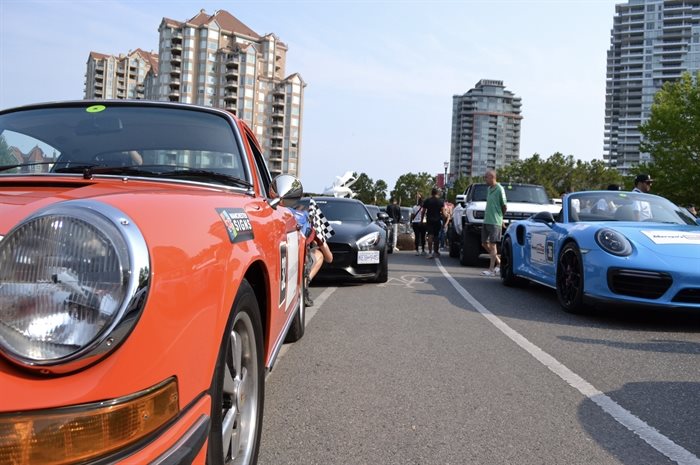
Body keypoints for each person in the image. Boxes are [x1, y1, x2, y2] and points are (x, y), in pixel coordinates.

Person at [286, 198, 333, 307]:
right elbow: (329, 258)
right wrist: (319, 243)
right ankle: (305, 282)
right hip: (302, 259)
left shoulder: (289, 220)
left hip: (286, 256)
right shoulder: (313, 227)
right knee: (319, 255)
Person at [481, 169, 507, 276]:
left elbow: (504, 206)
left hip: (495, 221)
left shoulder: (500, 189)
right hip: (487, 220)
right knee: (484, 243)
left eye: (486, 177)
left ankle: (491, 270)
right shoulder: (489, 189)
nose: (485, 179)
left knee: (493, 245)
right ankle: (499, 263)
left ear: (492, 177)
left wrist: (501, 218)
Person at [423, 187, 445, 259]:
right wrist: (445, 218)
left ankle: (430, 252)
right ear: (437, 193)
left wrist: (421, 220)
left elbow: (423, 211)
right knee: (436, 237)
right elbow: (443, 213)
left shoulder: (427, 201)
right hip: (437, 220)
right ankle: (436, 252)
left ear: (431, 193)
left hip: (429, 220)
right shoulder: (440, 201)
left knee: (430, 235)